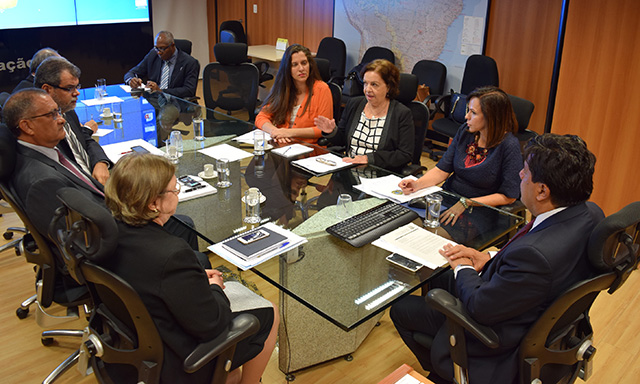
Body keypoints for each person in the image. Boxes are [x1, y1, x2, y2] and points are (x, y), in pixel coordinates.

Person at [390, 133, 604, 384]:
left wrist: (463, 267)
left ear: (543, 190)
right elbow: (530, 265)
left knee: (402, 310)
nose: (519, 176)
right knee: (442, 279)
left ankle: (446, 375)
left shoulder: (534, 256)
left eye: (524, 172)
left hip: (498, 341)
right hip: (535, 312)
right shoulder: (591, 214)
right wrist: (489, 256)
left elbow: (480, 307)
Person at [102, 153, 278, 384]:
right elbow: (212, 325)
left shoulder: (108, 231)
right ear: (154, 203)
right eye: (175, 190)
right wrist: (214, 287)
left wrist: (191, 279)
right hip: (178, 359)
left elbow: (150, 279)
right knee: (270, 312)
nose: (178, 194)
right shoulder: (171, 253)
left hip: (134, 342)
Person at [3, 89, 203, 266]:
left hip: (109, 215)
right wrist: (138, 217)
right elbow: (83, 241)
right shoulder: (41, 181)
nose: (62, 119)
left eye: (58, 112)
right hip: (115, 242)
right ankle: (184, 277)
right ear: (27, 126)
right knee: (183, 224)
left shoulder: (41, 151)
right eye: (52, 114)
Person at [398, 86, 522, 226]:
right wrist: (417, 184)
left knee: (428, 236)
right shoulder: (466, 131)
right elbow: (442, 170)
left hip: (479, 211)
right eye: (468, 110)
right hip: (449, 199)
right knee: (401, 222)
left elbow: (509, 196)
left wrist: (467, 202)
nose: (466, 116)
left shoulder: (509, 146)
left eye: (473, 112)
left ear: (491, 118)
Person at [315, 59, 414, 172]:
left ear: (388, 87)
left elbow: (404, 154)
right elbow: (342, 141)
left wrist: (369, 159)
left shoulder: (401, 113)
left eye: (374, 85)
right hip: (349, 170)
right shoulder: (354, 104)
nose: (367, 89)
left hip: (380, 174)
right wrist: (332, 132)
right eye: (365, 83)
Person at [34, 56, 111, 184]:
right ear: (47, 89)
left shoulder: (67, 110)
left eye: (77, 87)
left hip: (96, 174)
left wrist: (100, 162)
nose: (77, 93)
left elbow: (85, 139)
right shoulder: (41, 128)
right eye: (70, 88)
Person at [255, 44, 333, 145]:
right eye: (295, 65)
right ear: (287, 69)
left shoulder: (322, 89)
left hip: (308, 149)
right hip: (282, 145)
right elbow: (261, 117)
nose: (301, 68)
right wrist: (274, 131)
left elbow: (323, 129)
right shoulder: (283, 88)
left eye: (304, 63)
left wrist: (288, 132)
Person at [124, 30, 200, 99]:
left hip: (174, 102)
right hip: (153, 100)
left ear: (172, 46)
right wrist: (131, 80)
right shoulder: (153, 54)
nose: (159, 52)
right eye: (156, 48)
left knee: (164, 114)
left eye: (162, 48)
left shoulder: (190, 62)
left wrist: (161, 91)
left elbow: (189, 90)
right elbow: (132, 72)